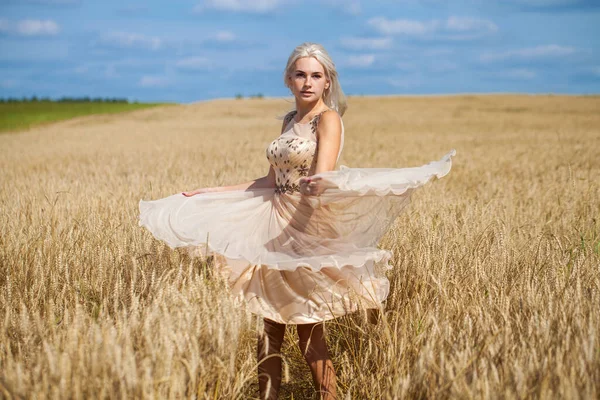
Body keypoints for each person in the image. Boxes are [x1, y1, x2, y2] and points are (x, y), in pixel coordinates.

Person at [139, 42, 455, 400]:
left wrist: (312, 187)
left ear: (327, 82)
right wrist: (212, 191)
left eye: (316, 76)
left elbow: (323, 177)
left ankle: (328, 396)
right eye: (301, 74)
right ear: (289, 80)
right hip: (272, 222)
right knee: (268, 325)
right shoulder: (291, 120)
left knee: (308, 326)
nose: (308, 82)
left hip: (306, 224)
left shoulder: (329, 119)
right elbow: (271, 181)